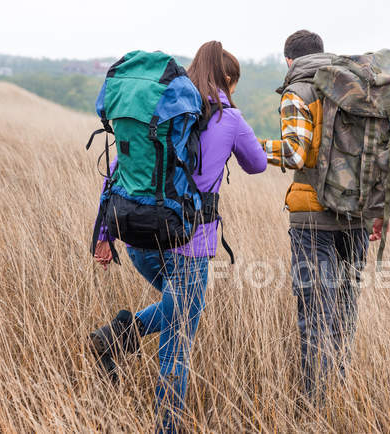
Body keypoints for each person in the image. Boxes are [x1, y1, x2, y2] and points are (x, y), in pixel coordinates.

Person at [90, 41, 267, 432]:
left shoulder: (164, 111)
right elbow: (256, 164)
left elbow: (118, 171)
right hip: (189, 244)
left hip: (140, 239)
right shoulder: (230, 118)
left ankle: (120, 336)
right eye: (233, 83)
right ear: (227, 80)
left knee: (183, 311)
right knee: (180, 333)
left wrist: (104, 234)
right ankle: (164, 422)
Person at [259, 30, 387, 401]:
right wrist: (379, 209)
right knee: (345, 312)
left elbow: (295, 154)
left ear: (288, 60)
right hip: (359, 215)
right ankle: (339, 394)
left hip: (313, 217)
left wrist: (252, 147)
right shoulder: (354, 89)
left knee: (315, 314)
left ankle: (314, 405)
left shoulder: (297, 91)